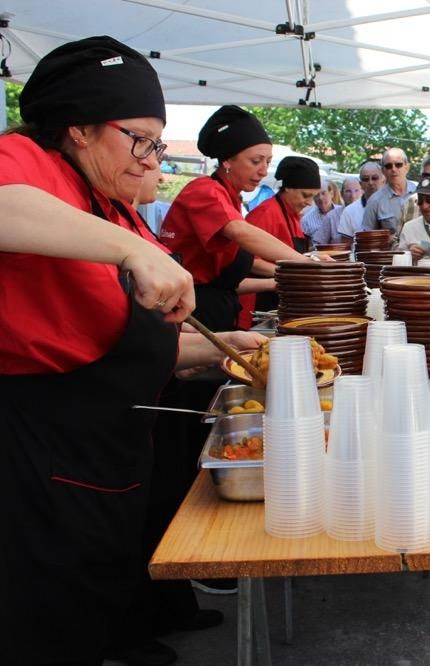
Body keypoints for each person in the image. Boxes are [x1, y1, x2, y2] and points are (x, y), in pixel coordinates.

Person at [0, 36, 262, 665]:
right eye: (140, 138)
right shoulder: (27, 160)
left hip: (111, 432)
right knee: (47, 603)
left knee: (103, 571)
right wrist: (135, 252)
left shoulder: (114, 203)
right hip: (42, 435)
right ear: (80, 129)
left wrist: (225, 348)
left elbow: (136, 339)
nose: (151, 157)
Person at [159, 105, 311, 332]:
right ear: (228, 161)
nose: (263, 170)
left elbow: (225, 281)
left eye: (268, 162)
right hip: (195, 311)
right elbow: (240, 232)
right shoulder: (205, 190)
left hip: (218, 306)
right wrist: (306, 264)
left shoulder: (232, 199)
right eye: (256, 161)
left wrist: (281, 277)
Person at [243, 156, 322, 319]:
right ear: (287, 188)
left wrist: (315, 259)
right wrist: (291, 275)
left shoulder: (292, 215)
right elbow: (250, 261)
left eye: (313, 196)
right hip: (258, 301)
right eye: (305, 195)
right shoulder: (265, 213)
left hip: (280, 297)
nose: (309, 203)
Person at [361, 147, 417, 241]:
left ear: (407, 167)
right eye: (388, 166)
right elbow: (367, 237)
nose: (394, 169)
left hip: (421, 253)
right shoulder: (375, 201)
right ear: (383, 171)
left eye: (398, 165)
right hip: (392, 254)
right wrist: (385, 239)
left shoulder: (420, 192)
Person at [338, 161, 385, 241]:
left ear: (384, 180)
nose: (370, 182)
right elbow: (346, 245)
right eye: (365, 179)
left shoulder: (396, 205)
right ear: (360, 184)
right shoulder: (349, 211)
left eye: (375, 178)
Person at [300, 178, 343, 246]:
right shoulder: (306, 220)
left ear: (331, 193)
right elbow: (305, 247)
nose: (320, 198)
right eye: (317, 194)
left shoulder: (343, 213)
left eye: (323, 193)